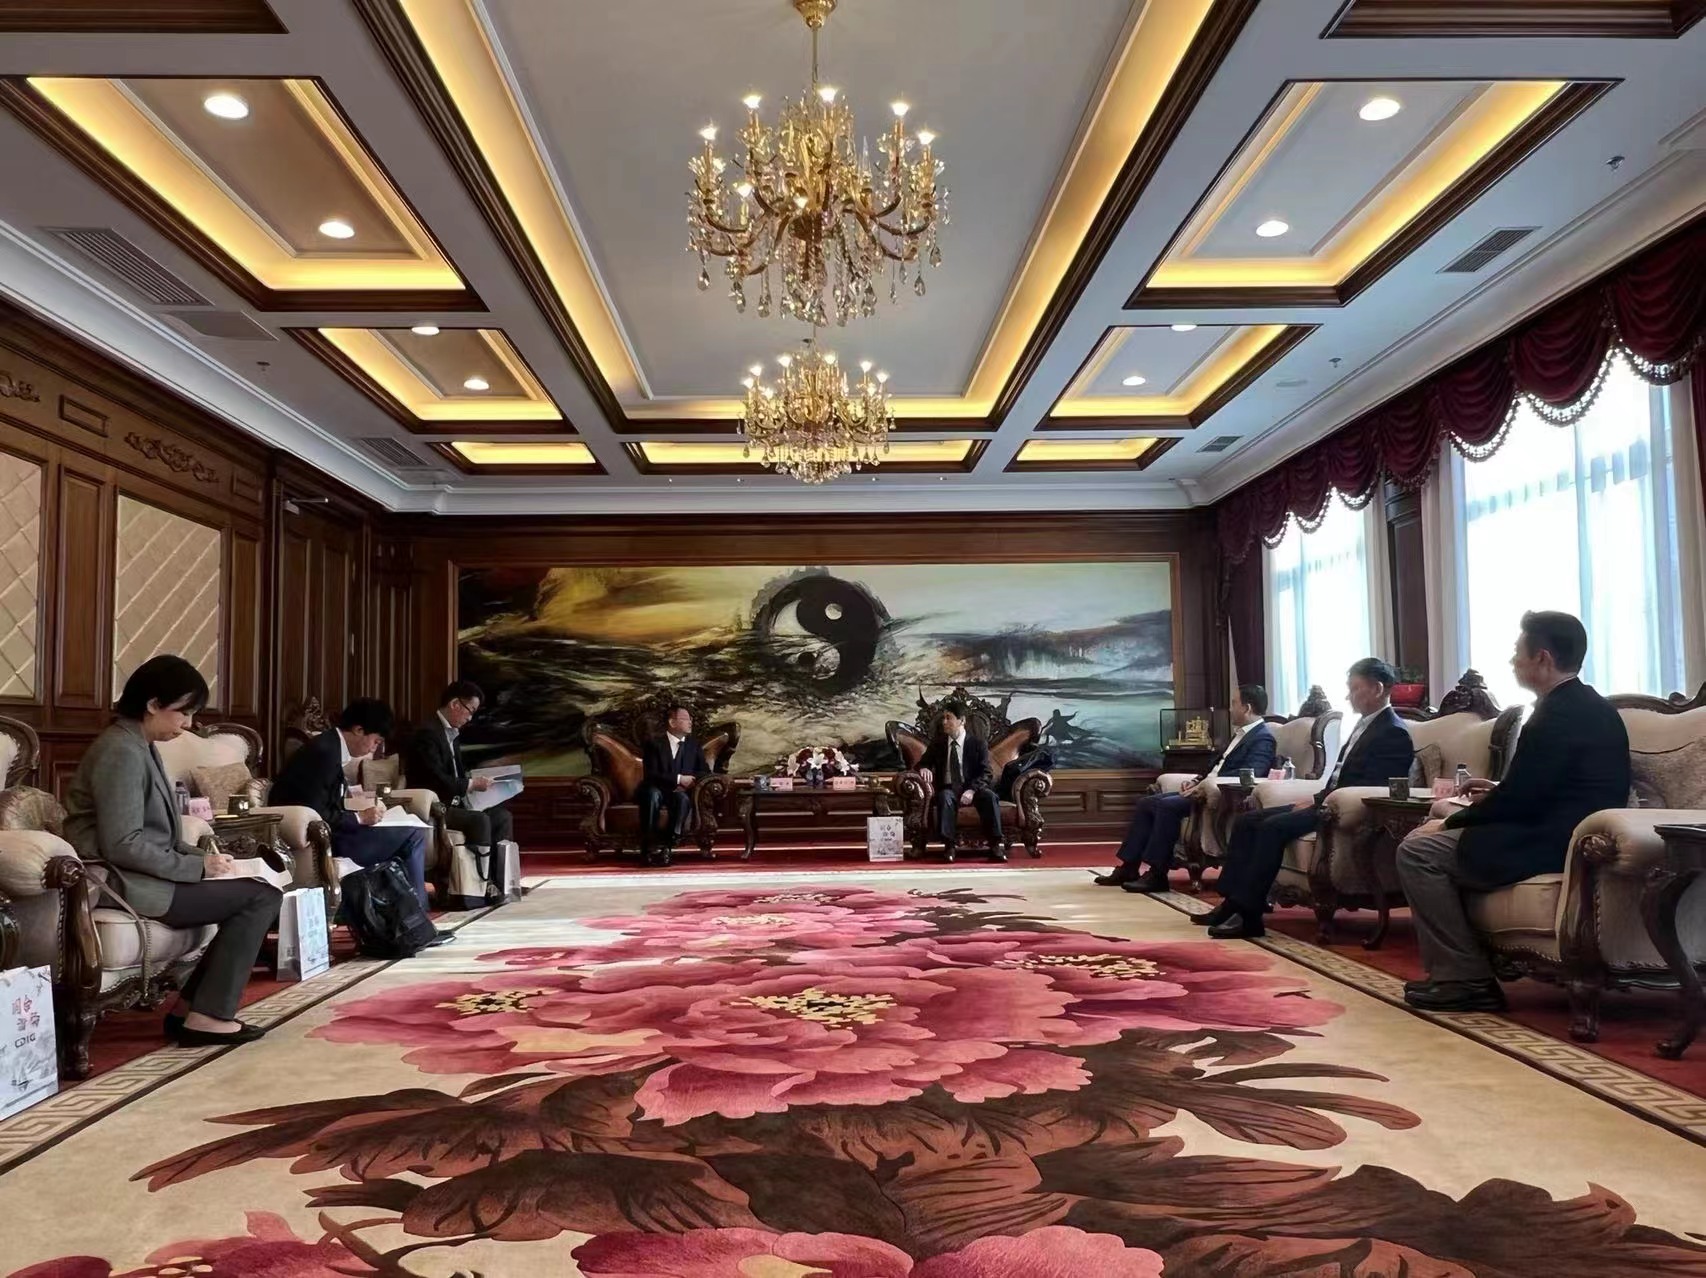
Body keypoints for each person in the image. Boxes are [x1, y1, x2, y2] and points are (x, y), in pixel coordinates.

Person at [1396, 611, 1630, 1012]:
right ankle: (1470, 968)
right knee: (1437, 839)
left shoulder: (1556, 714)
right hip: (1562, 827)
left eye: (1517, 652)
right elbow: (1544, 786)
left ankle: (1465, 979)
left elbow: (1525, 800)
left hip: (1552, 839)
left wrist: (1450, 821)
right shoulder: (1586, 705)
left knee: (1417, 852)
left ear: (1542, 658)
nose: (1512, 661)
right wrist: (1497, 790)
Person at [63, 655, 280, 1046]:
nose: (189, 724)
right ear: (153, 704)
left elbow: (157, 834)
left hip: (142, 873)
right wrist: (196, 869)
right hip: (124, 880)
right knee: (260, 898)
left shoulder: (139, 745)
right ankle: (208, 1016)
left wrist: (205, 860)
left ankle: (192, 1011)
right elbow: (123, 844)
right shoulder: (121, 751)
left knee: (259, 890)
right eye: (184, 712)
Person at [1200, 658, 1415, 939]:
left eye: (1355, 688)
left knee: (1271, 827)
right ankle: (1231, 903)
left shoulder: (1393, 732)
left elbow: (1371, 786)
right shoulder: (1365, 725)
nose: (1349, 696)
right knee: (1247, 821)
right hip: (1326, 802)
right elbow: (1339, 777)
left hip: (1344, 810)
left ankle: (1250, 916)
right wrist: (1315, 798)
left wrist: (1322, 803)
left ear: (1376, 689)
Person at [269, 697, 453, 946]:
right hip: (322, 841)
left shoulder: (330, 747)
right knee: (412, 837)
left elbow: (328, 803)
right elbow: (316, 813)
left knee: (406, 836)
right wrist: (359, 817)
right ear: (358, 730)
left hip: (332, 833)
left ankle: (403, 923)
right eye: (375, 740)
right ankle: (417, 926)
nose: (374, 748)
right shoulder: (324, 753)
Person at [1095, 684, 1277, 893]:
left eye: (1234, 703)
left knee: (1166, 806)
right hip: (1203, 788)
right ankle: (1129, 867)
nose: (1230, 708)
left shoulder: (1263, 738)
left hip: (1219, 796)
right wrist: (1197, 780)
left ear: (1247, 708)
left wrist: (1206, 785)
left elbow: (1250, 774)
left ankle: (1157, 874)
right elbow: (1217, 766)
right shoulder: (1240, 734)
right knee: (1146, 803)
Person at [405, 680, 512, 901]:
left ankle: (500, 882)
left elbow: (456, 774)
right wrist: (471, 784)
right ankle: (477, 887)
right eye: (470, 710)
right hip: (437, 806)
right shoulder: (426, 733)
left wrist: (473, 784)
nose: (470, 718)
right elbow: (435, 779)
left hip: (457, 801)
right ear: (455, 704)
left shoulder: (451, 733)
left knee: (502, 817)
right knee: (479, 820)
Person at [917, 703, 1005, 863]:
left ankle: (995, 845)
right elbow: (922, 763)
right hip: (949, 788)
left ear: (962, 721)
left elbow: (986, 772)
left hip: (973, 788)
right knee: (945, 797)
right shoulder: (938, 743)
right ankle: (949, 846)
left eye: (948, 718)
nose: (944, 722)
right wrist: (924, 768)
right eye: (943, 718)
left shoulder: (978, 744)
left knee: (990, 797)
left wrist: (971, 790)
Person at [637, 704, 709, 867]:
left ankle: (668, 846)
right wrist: (679, 779)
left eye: (691, 719)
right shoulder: (654, 744)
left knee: (682, 799)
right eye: (686, 719)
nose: (690, 722)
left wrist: (691, 780)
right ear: (672, 722)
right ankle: (648, 846)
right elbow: (651, 774)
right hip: (655, 788)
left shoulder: (693, 746)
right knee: (652, 795)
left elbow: (705, 771)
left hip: (678, 792)